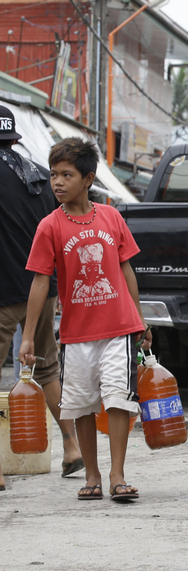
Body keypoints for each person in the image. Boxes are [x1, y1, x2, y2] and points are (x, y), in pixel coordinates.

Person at [19, 137, 151, 501]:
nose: (57, 182)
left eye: (67, 174)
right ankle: (91, 475)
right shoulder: (50, 226)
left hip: (120, 328)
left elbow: (126, 271)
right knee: (81, 403)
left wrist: (141, 319)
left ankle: (117, 475)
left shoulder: (111, 217)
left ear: (88, 178)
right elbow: (40, 281)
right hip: (76, 333)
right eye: (53, 175)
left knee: (118, 399)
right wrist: (28, 336)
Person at [0, 105, 83, 491]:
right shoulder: (37, 175)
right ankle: (71, 446)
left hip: (3, 293)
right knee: (47, 368)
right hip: (40, 289)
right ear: (15, 138)